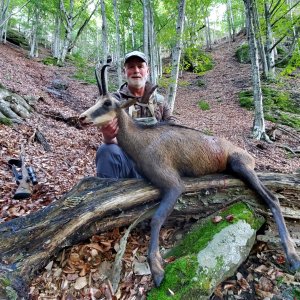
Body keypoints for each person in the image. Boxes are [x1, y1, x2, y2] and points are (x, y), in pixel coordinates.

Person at [96, 50, 175, 179]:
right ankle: (107, 194)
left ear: (147, 71)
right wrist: (108, 137)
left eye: (140, 66)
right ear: (124, 72)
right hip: (128, 161)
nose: (136, 70)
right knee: (106, 151)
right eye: (131, 67)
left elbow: (173, 129)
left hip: (158, 164)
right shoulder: (113, 101)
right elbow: (108, 135)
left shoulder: (160, 101)